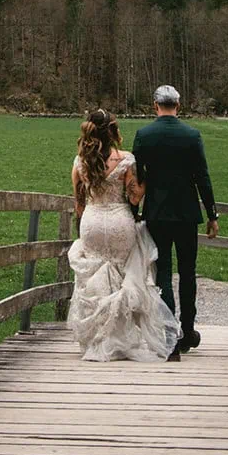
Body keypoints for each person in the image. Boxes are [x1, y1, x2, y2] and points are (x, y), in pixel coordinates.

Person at [67, 108, 181, 362]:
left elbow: (79, 203)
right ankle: (119, 338)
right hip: (119, 221)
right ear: (113, 131)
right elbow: (135, 197)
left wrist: (85, 221)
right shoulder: (126, 160)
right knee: (120, 275)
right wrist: (147, 181)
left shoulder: (80, 162)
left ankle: (97, 337)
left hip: (93, 221)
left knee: (94, 274)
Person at [133, 85, 218, 361]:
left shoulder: (144, 136)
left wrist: (134, 210)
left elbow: (137, 178)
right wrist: (212, 214)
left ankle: (171, 337)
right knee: (188, 272)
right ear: (178, 106)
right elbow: (202, 177)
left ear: (155, 105)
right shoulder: (192, 136)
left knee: (164, 274)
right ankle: (189, 329)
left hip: (157, 213)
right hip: (186, 214)